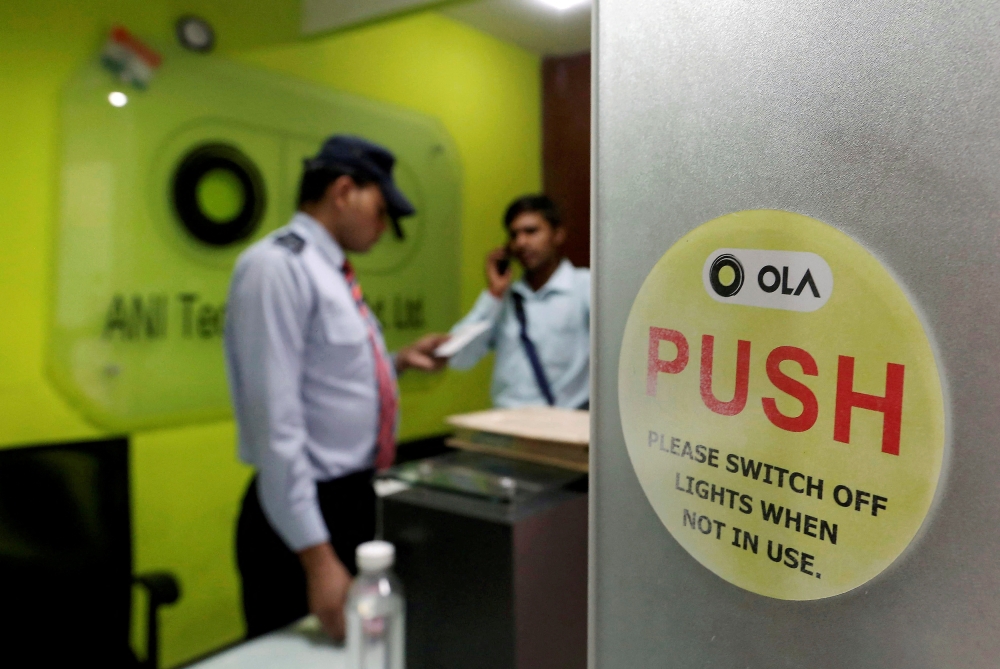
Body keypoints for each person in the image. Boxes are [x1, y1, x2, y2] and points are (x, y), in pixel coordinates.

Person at [224, 135, 448, 641]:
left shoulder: (330, 273)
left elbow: (325, 378)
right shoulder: (276, 266)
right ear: (344, 191)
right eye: (381, 207)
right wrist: (317, 559)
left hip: (350, 502)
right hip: (302, 519)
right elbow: (275, 425)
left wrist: (398, 363)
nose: (384, 225)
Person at [449, 195, 590, 409]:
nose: (521, 242)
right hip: (508, 423)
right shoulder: (504, 299)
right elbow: (458, 357)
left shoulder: (585, 286)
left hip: (566, 423)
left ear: (558, 235)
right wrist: (494, 293)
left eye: (531, 231)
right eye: (514, 235)